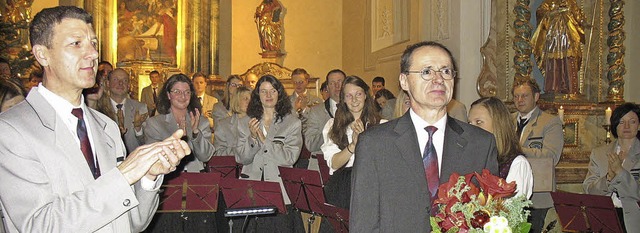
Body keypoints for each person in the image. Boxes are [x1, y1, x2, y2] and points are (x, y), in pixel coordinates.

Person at [0, 6, 190, 232]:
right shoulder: (13, 130)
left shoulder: (106, 126)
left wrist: (148, 176)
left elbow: (131, 223)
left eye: (94, 43)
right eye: (76, 43)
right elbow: (40, 225)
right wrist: (124, 175)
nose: (92, 54)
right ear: (43, 54)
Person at [350, 41, 498, 232]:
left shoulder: (480, 143)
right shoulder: (375, 143)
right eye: (427, 72)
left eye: (446, 71)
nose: (438, 79)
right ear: (404, 81)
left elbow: (491, 217)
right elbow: (363, 222)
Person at [235, 75, 303, 232]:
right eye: (263, 91)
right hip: (251, 188)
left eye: (272, 91)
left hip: (280, 189)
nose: (268, 95)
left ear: (279, 93)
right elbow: (241, 158)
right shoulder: (244, 122)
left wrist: (264, 140)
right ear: (257, 95)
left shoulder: (292, 123)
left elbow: (290, 157)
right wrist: (252, 138)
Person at [321, 75, 385, 210]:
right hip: (343, 187)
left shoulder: (382, 126)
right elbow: (334, 163)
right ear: (343, 99)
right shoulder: (333, 126)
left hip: (373, 185)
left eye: (358, 94)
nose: (354, 100)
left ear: (366, 96)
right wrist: (353, 145)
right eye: (349, 96)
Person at [511, 78, 564, 233]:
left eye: (524, 96)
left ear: (536, 97)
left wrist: (519, 150)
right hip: (511, 193)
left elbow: (552, 156)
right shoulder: (508, 120)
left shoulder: (550, 122)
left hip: (537, 195)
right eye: (516, 96)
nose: (519, 100)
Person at [583, 103, 640, 232]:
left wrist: (620, 171)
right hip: (604, 217)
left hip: (634, 220)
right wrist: (608, 178)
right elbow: (589, 189)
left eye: (632, 122)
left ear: (638, 125)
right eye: (621, 122)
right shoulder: (599, 153)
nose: (626, 126)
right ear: (614, 125)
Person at [145, 73, 214, 173]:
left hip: (195, 179)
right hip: (167, 179)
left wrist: (195, 133)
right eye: (177, 92)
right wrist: (179, 140)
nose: (183, 96)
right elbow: (154, 157)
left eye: (187, 92)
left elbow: (206, 156)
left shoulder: (201, 121)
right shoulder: (155, 123)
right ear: (168, 95)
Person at [469, 97, 533, 199]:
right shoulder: (469, 160)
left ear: (498, 124)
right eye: (469, 123)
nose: (470, 129)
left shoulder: (517, 164)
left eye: (479, 122)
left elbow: (511, 210)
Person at [531, 0, 585, 95]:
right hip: (553, 37)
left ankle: (570, 88)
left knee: (569, 59)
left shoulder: (571, 2)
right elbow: (541, 14)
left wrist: (583, 21)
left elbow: (578, 16)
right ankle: (553, 87)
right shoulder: (548, 3)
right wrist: (556, 12)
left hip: (568, 36)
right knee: (553, 61)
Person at [95, 68, 149, 154]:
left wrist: (138, 129)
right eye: (116, 80)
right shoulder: (98, 108)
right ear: (108, 83)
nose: (120, 83)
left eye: (124, 80)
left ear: (128, 86)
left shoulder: (140, 108)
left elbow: (147, 144)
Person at [302, 69, 346, 155]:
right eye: (332, 83)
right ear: (327, 87)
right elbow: (311, 145)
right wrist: (331, 131)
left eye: (340, 82)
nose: (337, 86)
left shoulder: (355, 108)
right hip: (321, 162)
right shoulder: (315, 111)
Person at [213, 86, 252, 156]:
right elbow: (218, 152)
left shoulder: (257, 122)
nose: (249, 102)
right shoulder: (223, 125)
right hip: (232, 164)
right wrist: (240, 151)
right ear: (236, 101)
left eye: (251, 99)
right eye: (245, 99)